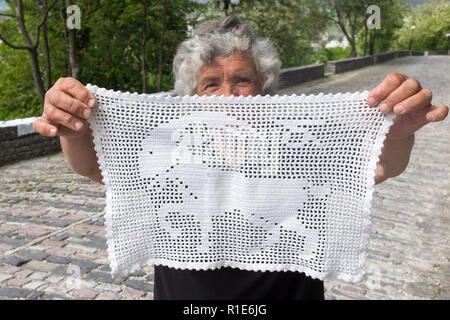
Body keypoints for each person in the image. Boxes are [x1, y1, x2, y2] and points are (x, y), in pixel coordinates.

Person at [33, 16, 448, 299]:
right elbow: (91, 164)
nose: (228, 96)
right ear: (192, 96)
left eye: (242, 79)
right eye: (211, 84)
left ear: (264, 85)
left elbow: (380, 165)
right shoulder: (167, 147)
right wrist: (72, 127)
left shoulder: (299, 140)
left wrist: (396, 130)